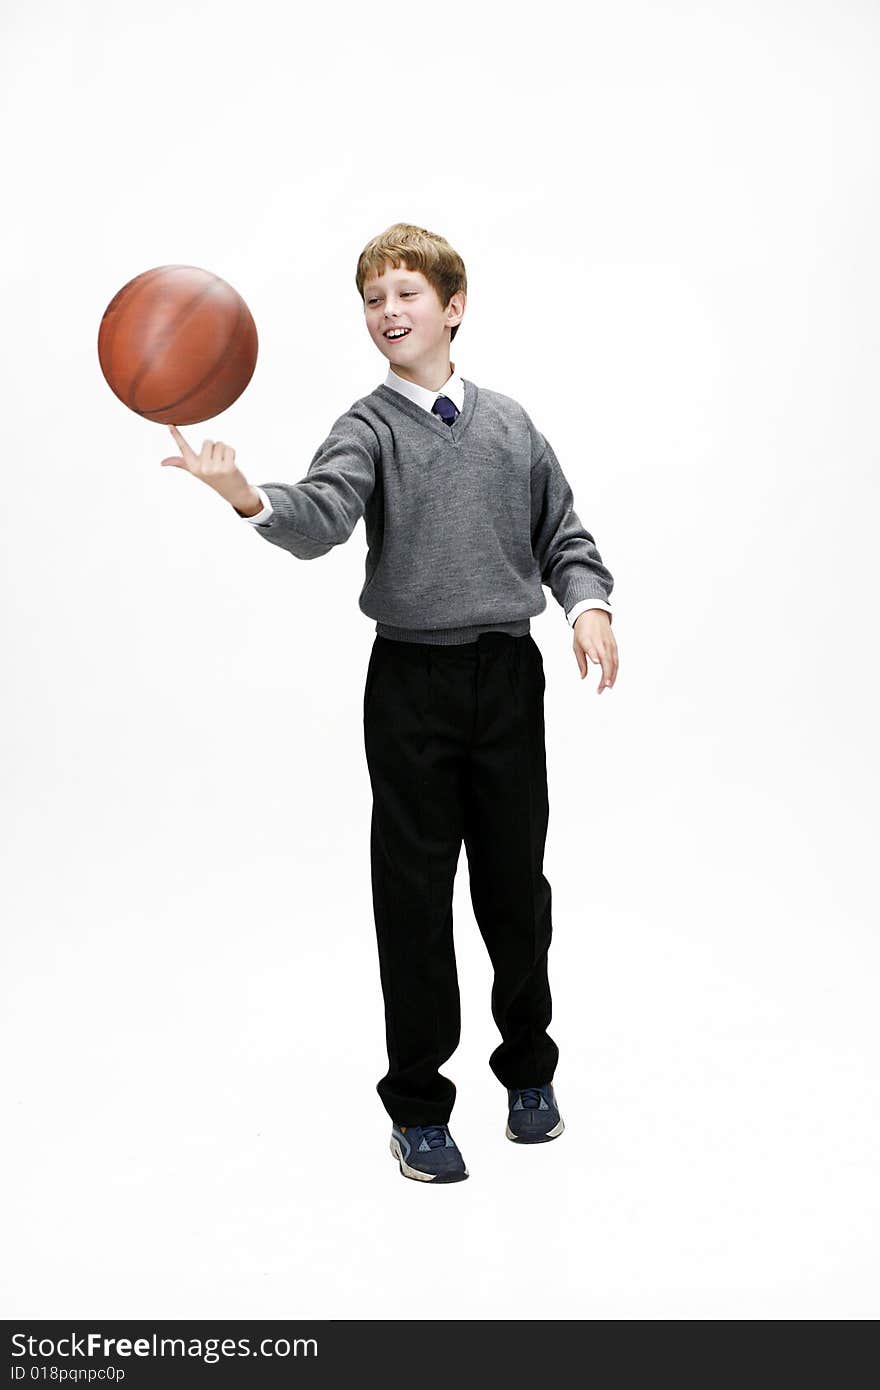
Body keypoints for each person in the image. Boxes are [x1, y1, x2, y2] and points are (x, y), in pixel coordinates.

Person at [161, 222, 619, 1185]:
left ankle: (529, 1074)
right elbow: (324, 514)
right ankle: (418, 1106)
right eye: (373, 300)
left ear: (453, 308)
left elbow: (563, 533)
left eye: (406, 294)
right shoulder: (367, 427)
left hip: (506, 678)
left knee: (514, 889)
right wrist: (249, 497)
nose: (388, 313)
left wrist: (587, 605)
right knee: (411, 896)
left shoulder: (511, 425)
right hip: (410, 683)